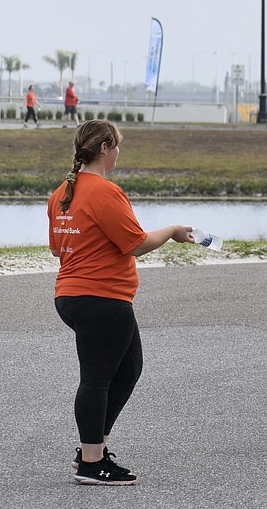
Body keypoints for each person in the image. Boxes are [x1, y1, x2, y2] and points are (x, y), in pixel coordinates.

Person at [48, 119, 194, 485]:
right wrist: (173, 231)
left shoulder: (61, 192)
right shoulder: (104, 192)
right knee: (96, 380)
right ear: (104, 148)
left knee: (128, 370)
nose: (118, 152)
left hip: (72, 295)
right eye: (117, 146)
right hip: (101, 298)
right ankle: (91, 463)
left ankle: (92, 448)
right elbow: (136, 243)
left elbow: (56, 248)